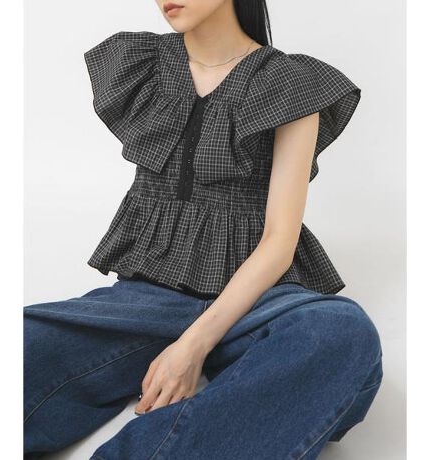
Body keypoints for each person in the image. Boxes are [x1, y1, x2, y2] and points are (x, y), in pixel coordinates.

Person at [23, 1, 383, 459]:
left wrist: (192, 346)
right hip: (146, 297)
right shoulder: (141, 65)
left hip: (257, 297)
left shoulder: (290, 83)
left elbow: (279, 241)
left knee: (338, 332)